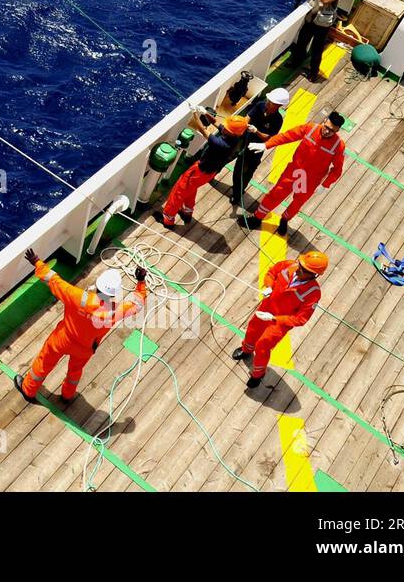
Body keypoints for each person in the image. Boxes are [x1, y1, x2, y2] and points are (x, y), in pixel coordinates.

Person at [14, 249, 146, 403]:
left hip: (63, 339)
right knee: (75, 372)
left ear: (97, 285)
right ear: (114, 293)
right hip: (86, 348)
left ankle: (28, 390)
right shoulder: (115, 311)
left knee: (44, 362)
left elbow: (54, 281)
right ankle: (67, 395)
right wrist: (141, 281)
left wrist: (37, 262)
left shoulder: (78, 297)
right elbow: (138, 303)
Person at [233, 250, 328, 388]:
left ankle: (257, 375)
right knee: (252, 329)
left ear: (315, 274)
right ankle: (246, 350)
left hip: (279, 323)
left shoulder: (313, 293)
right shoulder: (288, 265)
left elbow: (300, 319)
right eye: (301, 265)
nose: (299, 269)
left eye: (305, 269)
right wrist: (269, 286)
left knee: (263, 346)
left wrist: (275, 319)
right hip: (265, 309)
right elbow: (272, 273)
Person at [244, 111, 345, 235]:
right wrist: (266, 145)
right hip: (294, 172)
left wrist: (325, 185)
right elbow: (287, 136)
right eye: (327, 127)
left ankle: (284, 220)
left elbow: (337, 169)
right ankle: (257, 218)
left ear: (337, 131)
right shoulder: (310, 128)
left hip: (310, 181)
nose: (327, 131)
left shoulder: (338, 146)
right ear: (324, 121)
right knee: (275, 194)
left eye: (332, 131)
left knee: (297, 203)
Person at [152, 115, 250, 229]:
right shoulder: (234, 138)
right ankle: (187, 212)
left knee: (179, 191)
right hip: (209, 173)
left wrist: (195, 114)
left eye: (228, 128)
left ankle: (167, 219)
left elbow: (203, 130)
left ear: (231, 132)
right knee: (191, 189)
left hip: (199, 171)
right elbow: (219, 125)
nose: (225, 128)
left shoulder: (221, 144)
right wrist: (206, 114)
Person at [230, 87, 290, 208]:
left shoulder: (278, 120)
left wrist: (256, 131)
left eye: (271, 102)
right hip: (244, 139)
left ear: (278, 105)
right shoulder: (260, 105)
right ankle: (217, 174)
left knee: (247, 171)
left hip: (256, 148)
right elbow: (248, 117)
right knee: (233, 161)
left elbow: (267, 138)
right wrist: (243, 124)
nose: (268, 102)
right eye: (269, 100)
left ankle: (238, 193)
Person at [294, 0, 339, 81]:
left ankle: (314, 73)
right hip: (311, 21)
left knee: (317, 50)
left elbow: (325, 0)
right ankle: (296, 62)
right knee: (301, 42)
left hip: (322, 25)